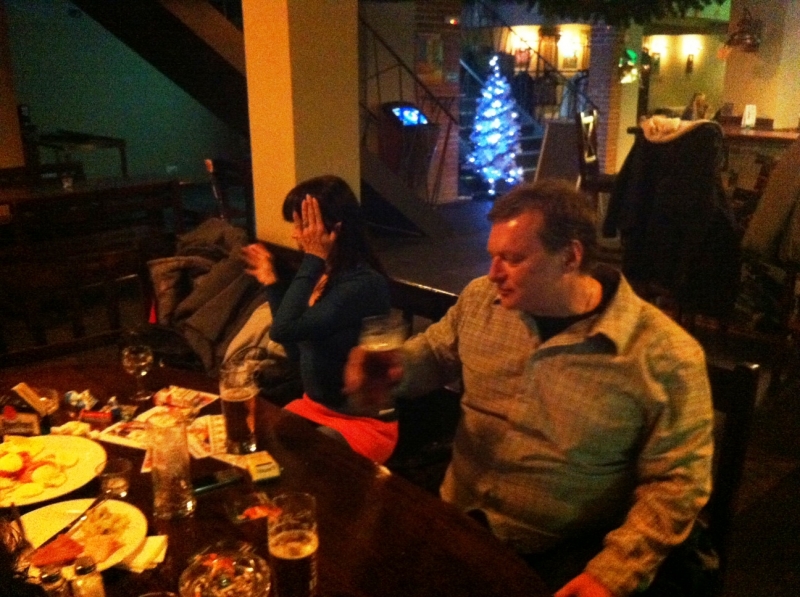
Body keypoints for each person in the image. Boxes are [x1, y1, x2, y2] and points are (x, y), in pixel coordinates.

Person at [344, 180, 714, 597]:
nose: (493, 273)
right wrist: (396, 368)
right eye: (492, 256)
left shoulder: (664, 354)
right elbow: (434, 353)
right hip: (456, 515)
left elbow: (678, 484)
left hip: (562, 551)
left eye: (513, 258)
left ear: (570, 256)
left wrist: (611, 575)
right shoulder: (480, 300)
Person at [241, 175, 397, 463]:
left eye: (303, 226)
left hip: (361, 423)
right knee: (252, 445)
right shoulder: (323, 276)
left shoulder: (363, 283)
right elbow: (295, 350)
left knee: (300, 462)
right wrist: (272, 282)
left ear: (334, 229)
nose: (295, 235)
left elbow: (282, 330)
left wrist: (312, 258)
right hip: (313, 407)